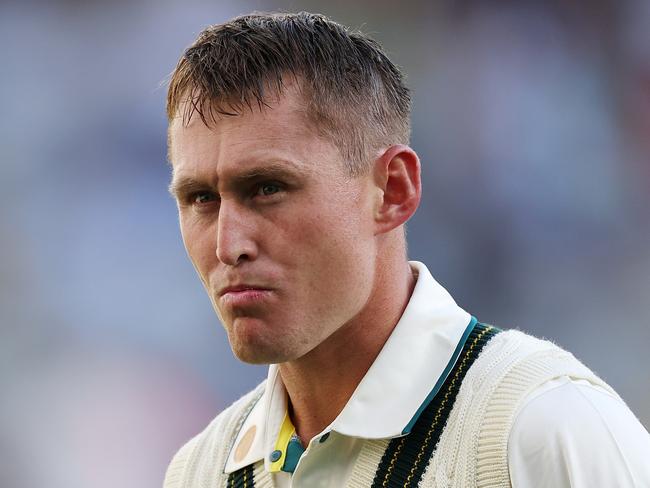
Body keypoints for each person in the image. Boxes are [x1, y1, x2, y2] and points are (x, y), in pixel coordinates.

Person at [163, 12, 650, 488]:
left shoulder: (542, 428)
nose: (228, 245)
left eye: (268, 188)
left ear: (393, 191)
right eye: (200, 199)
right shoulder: (199, 471)